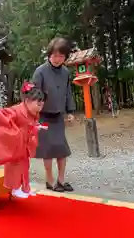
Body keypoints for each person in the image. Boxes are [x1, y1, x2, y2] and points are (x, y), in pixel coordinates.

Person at [0, 82, 46, 198]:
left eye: (42, 102)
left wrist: (37, 127)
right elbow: (4, 115)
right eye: (38, 102)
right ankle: (15, 188)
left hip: (25, 144)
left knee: (25, 166)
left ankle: (25, 188)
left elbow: (32, 124)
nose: (41, 104)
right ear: (28, 101)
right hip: (16, 143)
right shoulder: (17, 110)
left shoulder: (33, 113)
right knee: (14, 166)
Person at [32, 37, 76, 192]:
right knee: (48, 150)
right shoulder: (40, 71)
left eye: (61, 56)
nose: (57, 59)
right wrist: (34, 111)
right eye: (54, 55)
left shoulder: (65, 72)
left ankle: (61, 180)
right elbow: (33, 93)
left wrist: (70, 111)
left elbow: (68, 92)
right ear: (49, 55)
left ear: (65, 57)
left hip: (58, 116)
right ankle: (50, 181)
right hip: (43, 116)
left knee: (62, 149)